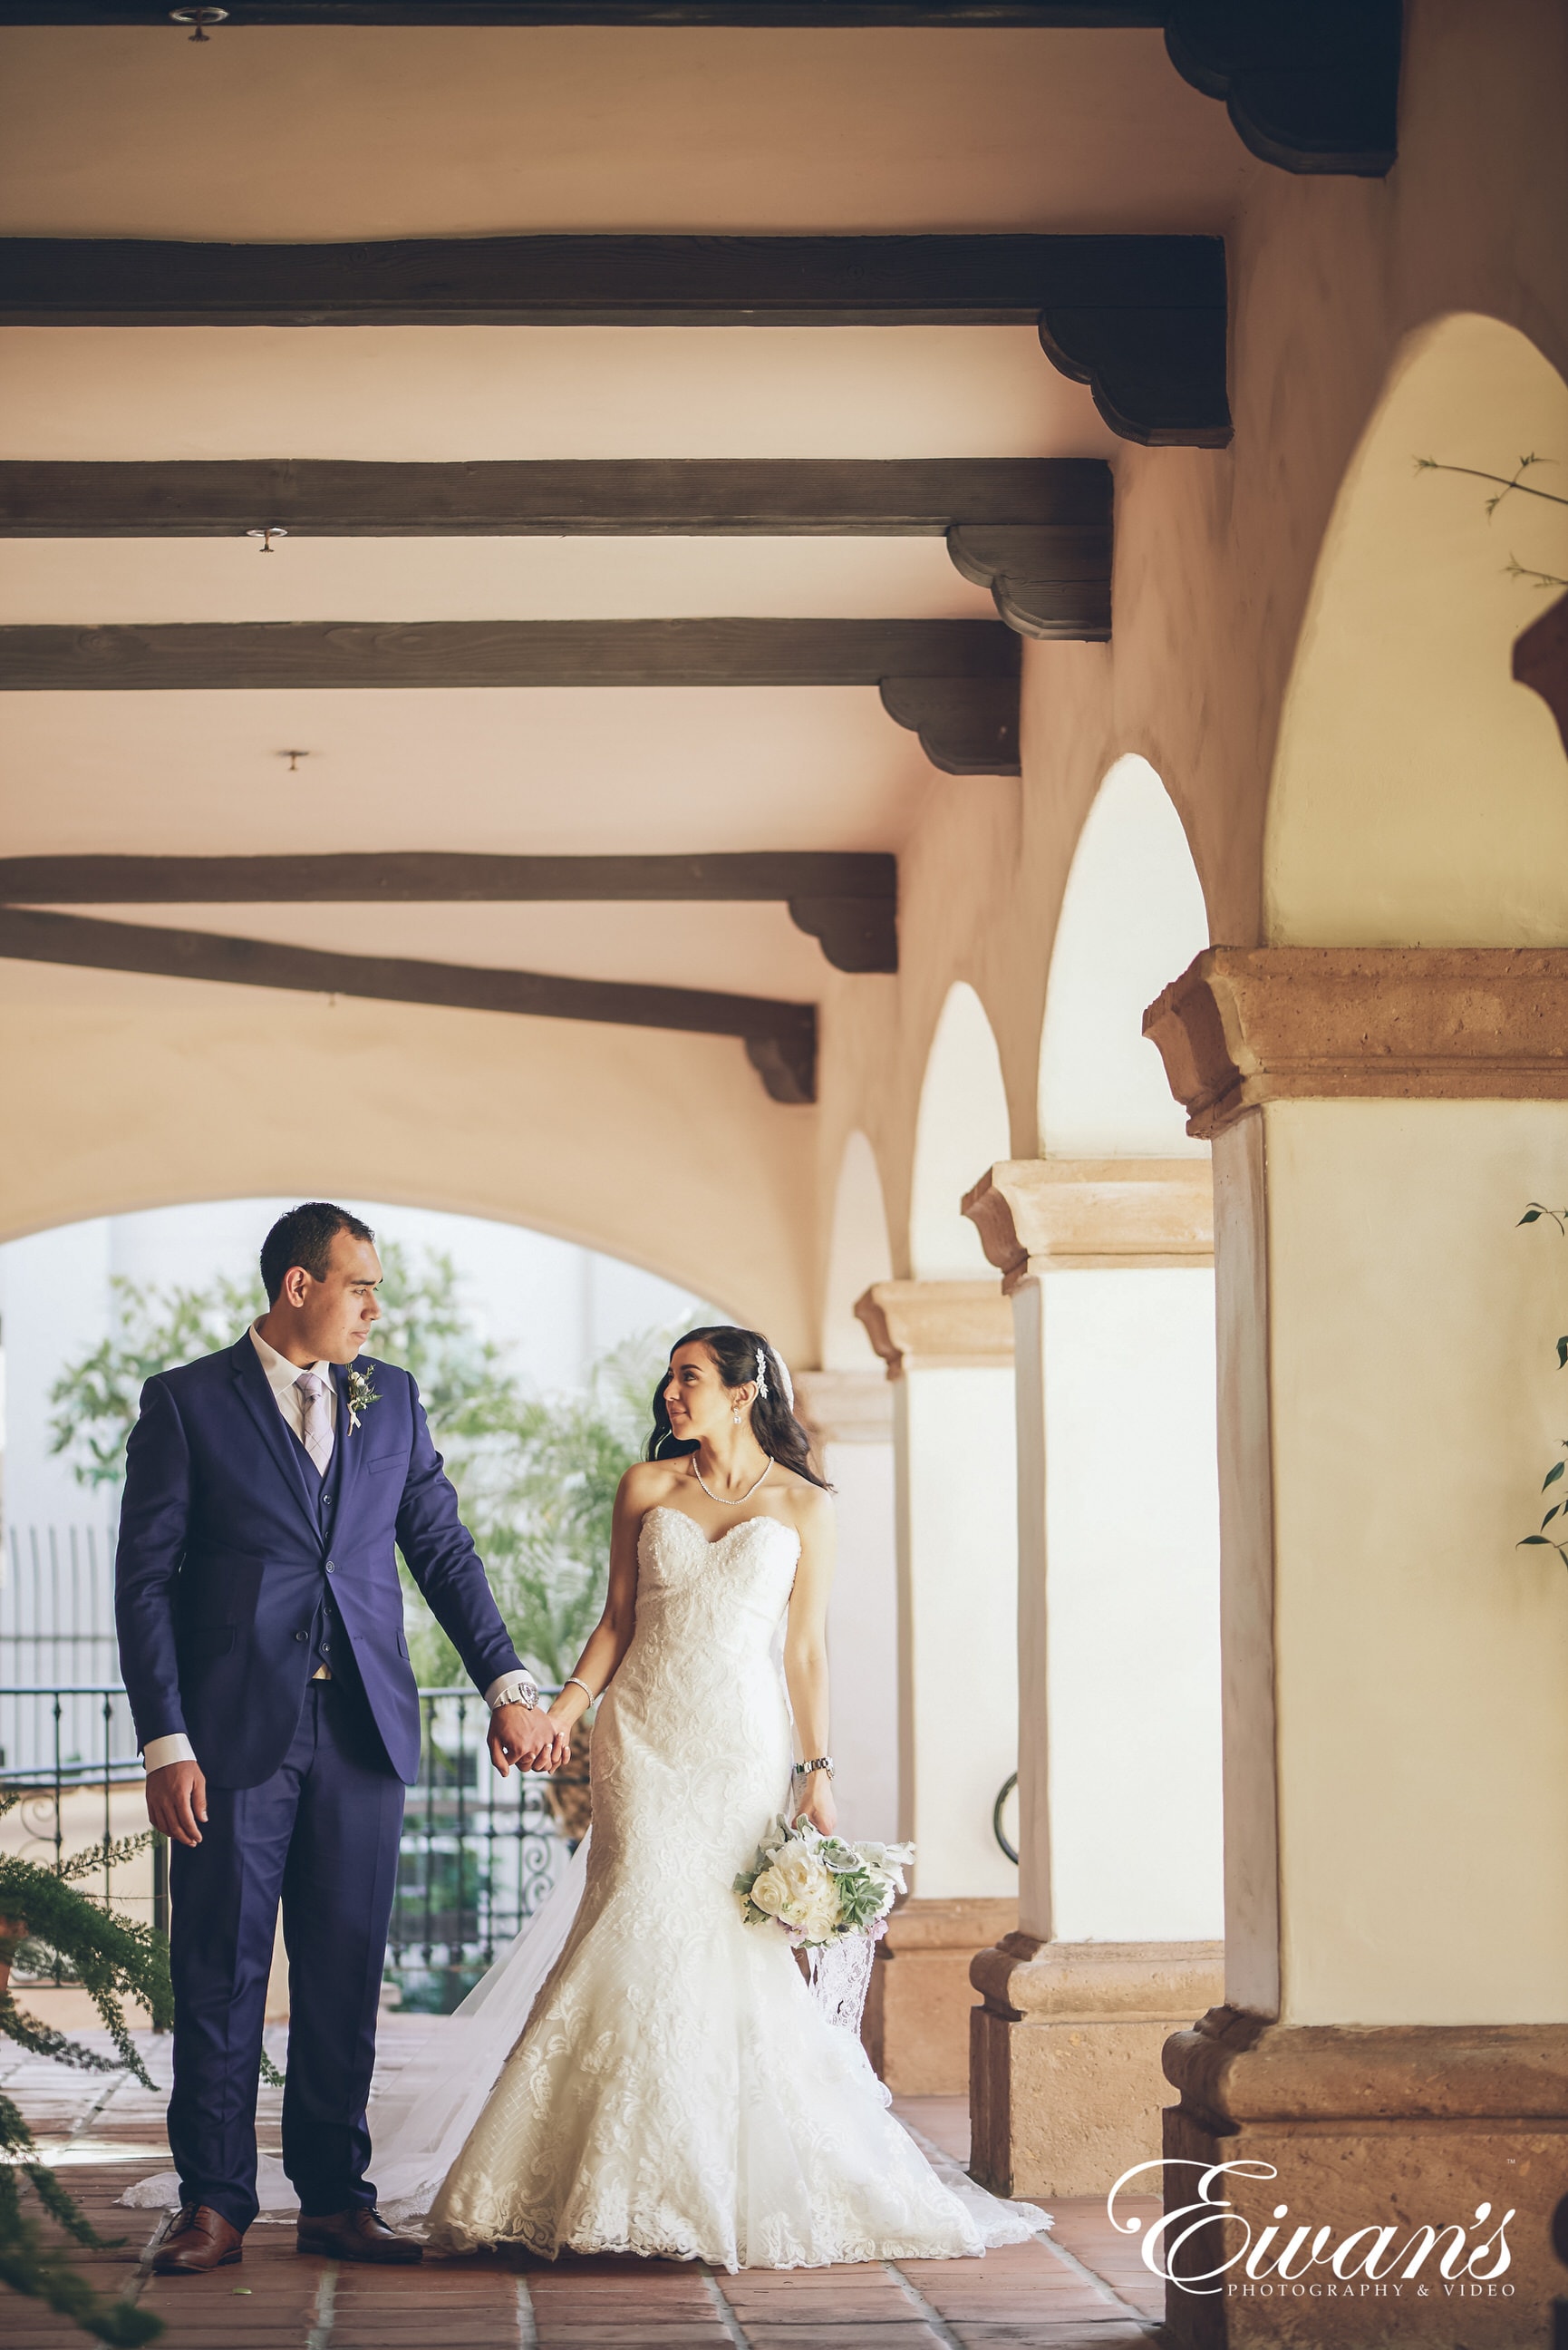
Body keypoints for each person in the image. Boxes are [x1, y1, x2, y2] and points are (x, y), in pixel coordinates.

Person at [394, 1324, 1045, 2269]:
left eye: (688, 1377)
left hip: (738, 1747)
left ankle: (705, 2177)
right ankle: (588, 2178)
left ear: (742, 1393)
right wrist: (567, 1712)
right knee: (632, 1919)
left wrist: (815, 1771)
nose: (669, 1392)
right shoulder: (646, 1487)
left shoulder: (803, 1504)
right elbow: (617, 1618)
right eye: (667, 1378)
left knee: (726, 1951)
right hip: (642, 1742)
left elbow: (806, 1651)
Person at [114, 1201, 557, 2276]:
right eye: (359, 1285)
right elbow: (145, 1585)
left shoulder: (389, 1398)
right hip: (227, 1736)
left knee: (346, 1971)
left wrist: (504, 1677)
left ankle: (332, 2200)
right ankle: (213, 2202)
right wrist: (166, 1741)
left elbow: (440, 1550)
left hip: (362, 1725)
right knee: (217, 1969)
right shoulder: (185, 1404)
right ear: (298, 1288)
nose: (375, 1306)